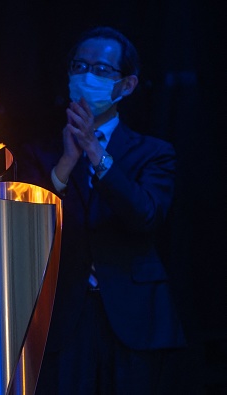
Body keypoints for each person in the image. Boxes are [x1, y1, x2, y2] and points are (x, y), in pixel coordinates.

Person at [16, 26, 185, 394]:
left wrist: (96, 153)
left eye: (101, 69)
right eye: (79, 66)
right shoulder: (38, 154)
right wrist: (64, 166)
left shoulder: (154, 153)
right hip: (64, 318)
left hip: (135, 318)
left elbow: (146, 215)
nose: (87, 76)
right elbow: (26, 232)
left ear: (127, 85)